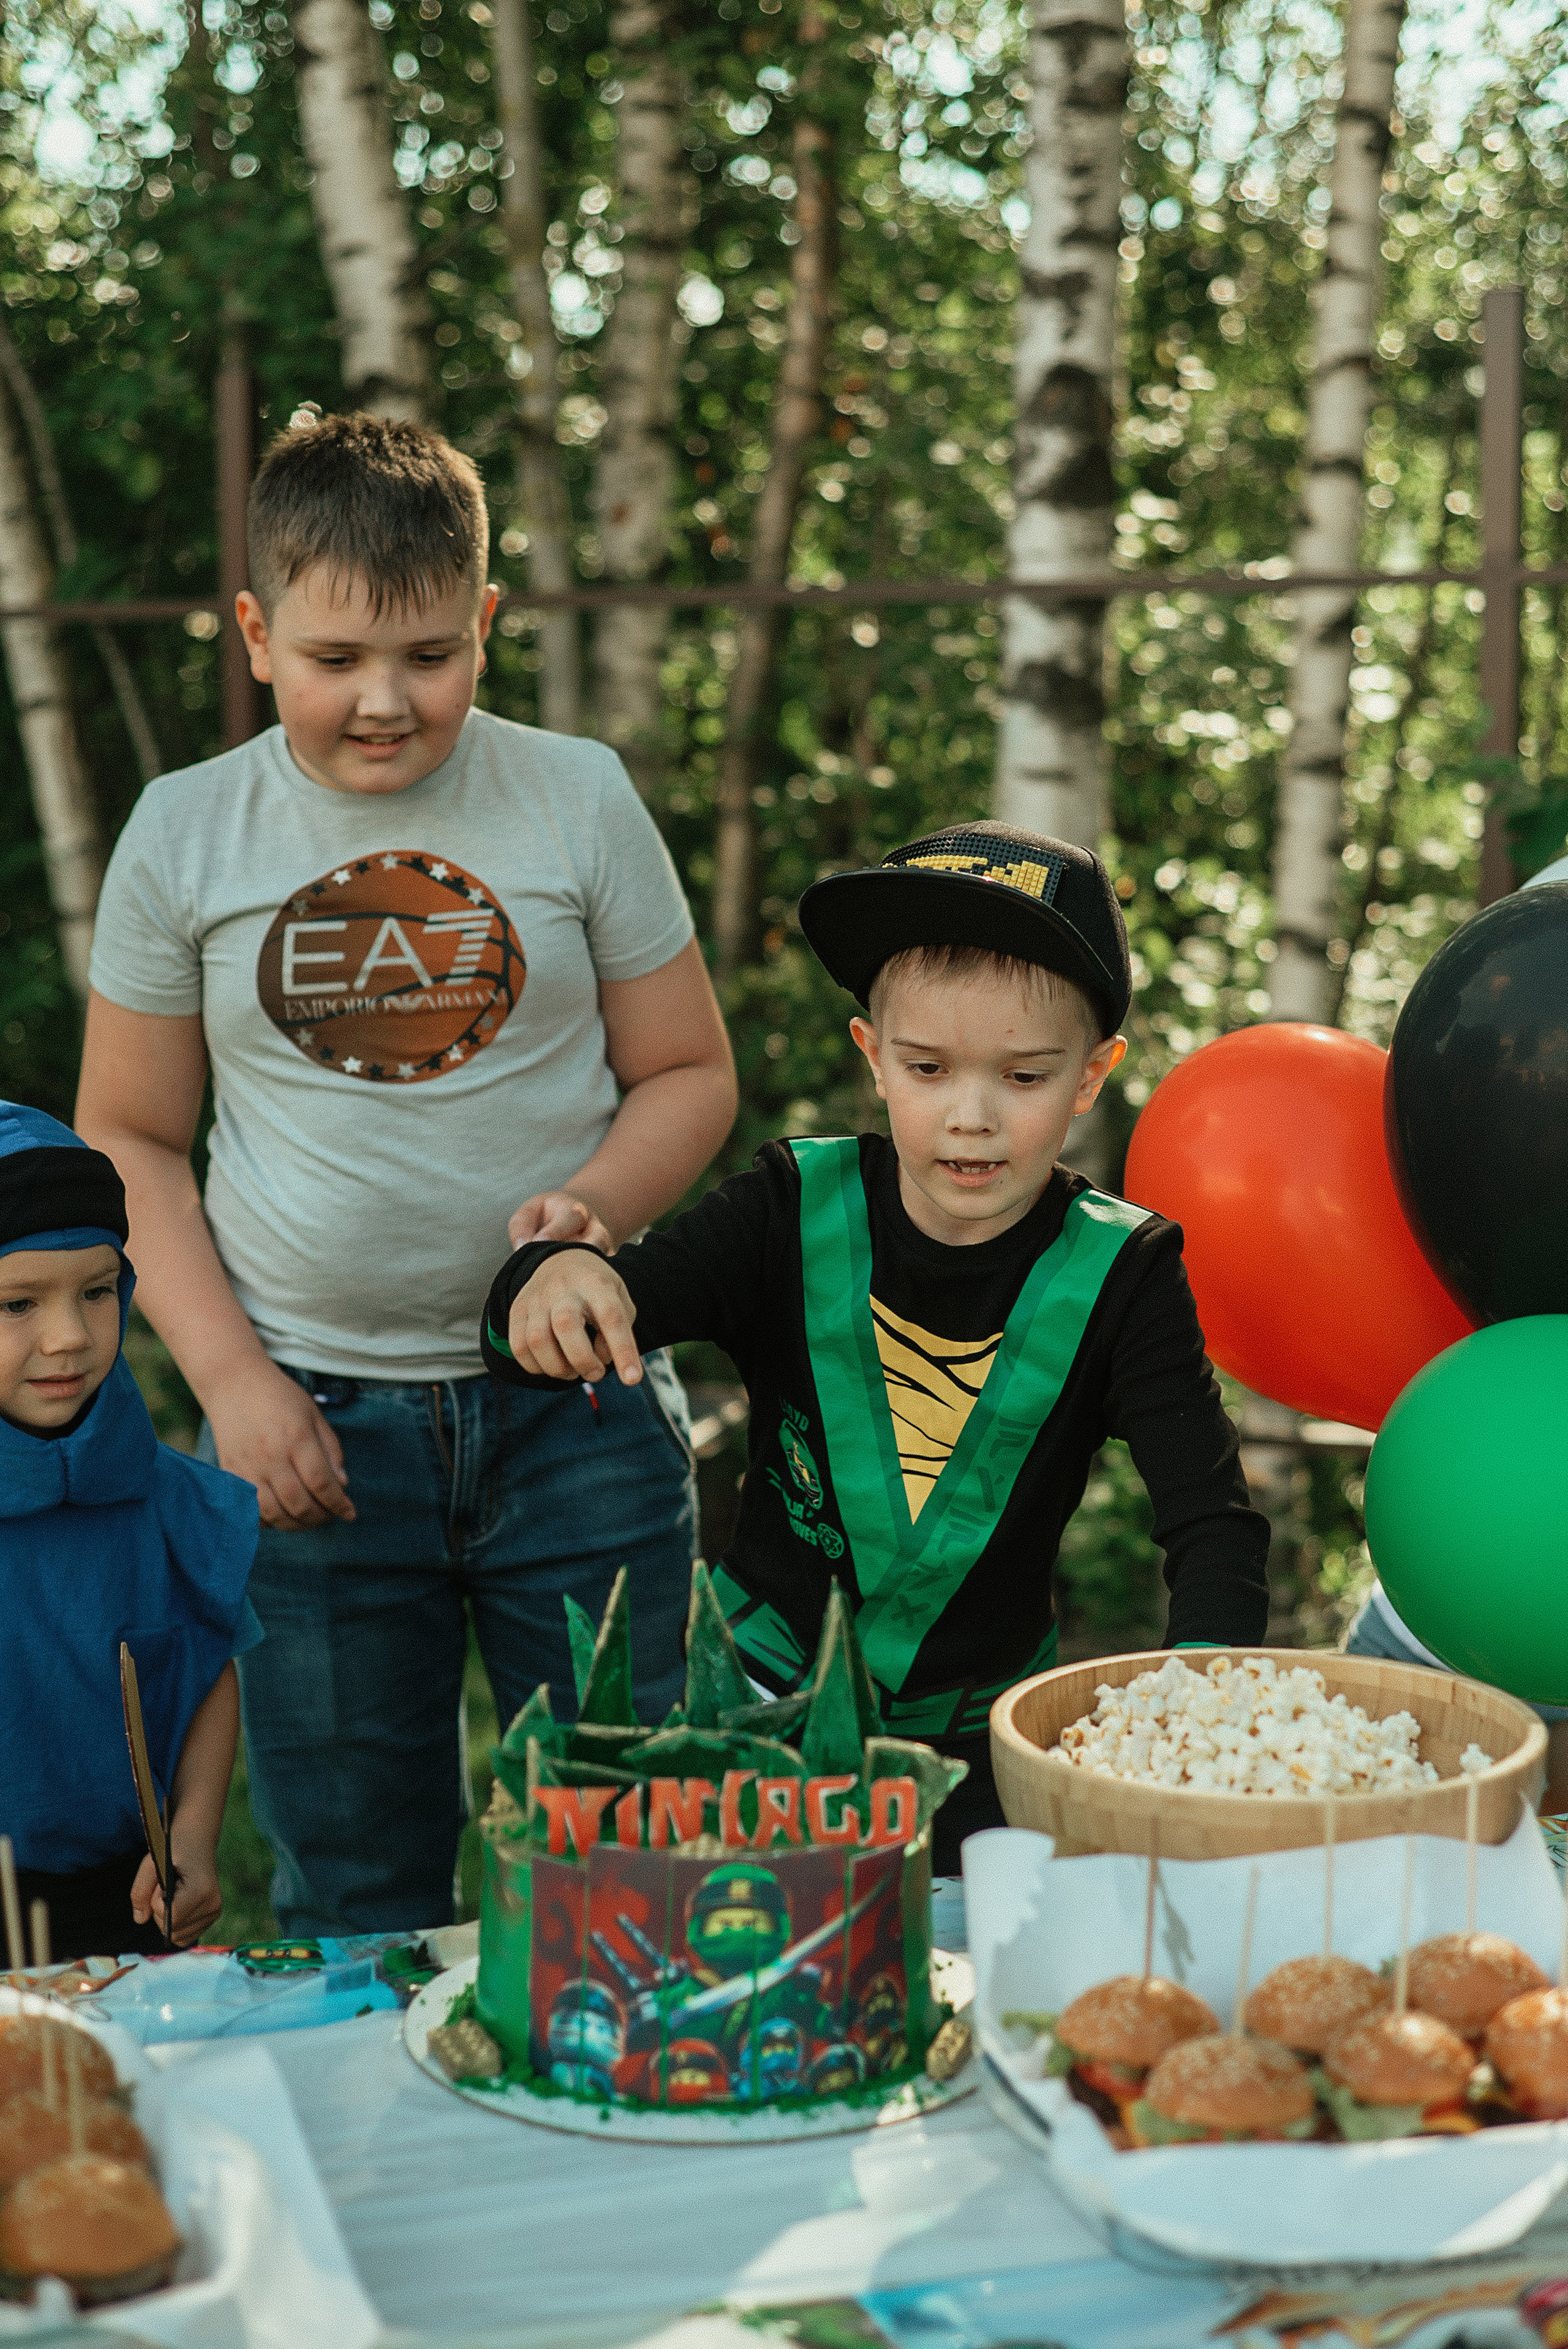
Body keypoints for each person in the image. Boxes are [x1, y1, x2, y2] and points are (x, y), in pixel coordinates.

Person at [75, 412, 736, 1936]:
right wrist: (233, 1382)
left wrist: (598, 1215)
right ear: (254, 633)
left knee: (640, 1860)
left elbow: (689, 1074)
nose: (385, 701)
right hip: (311, 1439)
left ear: (487, 625)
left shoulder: (575, 797)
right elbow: (131, 1136)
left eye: (431, 656)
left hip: (578, 1422)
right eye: (333, 661)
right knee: (355, 1892)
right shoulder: (186, 833)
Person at [482, 821, 1269, 1868]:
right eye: (929, 1067)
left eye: (1026, 1078)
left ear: (1092, 1075)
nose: (971, 1117)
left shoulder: (1126, 1275)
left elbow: (1214, 1523)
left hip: (985, 1760)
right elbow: (536, 1328)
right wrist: (552, 1279)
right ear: (874, 1058)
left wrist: (1201, 1709)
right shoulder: (786, 1208)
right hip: (754, 1729)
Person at [0, 1103, 258, 1959]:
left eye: (97, 1292)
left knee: (112, 2094)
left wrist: (192, 1836)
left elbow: (205, 1665)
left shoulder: (167, 1502)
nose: (68, 1336)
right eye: (16, 1304)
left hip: (125, 1903)